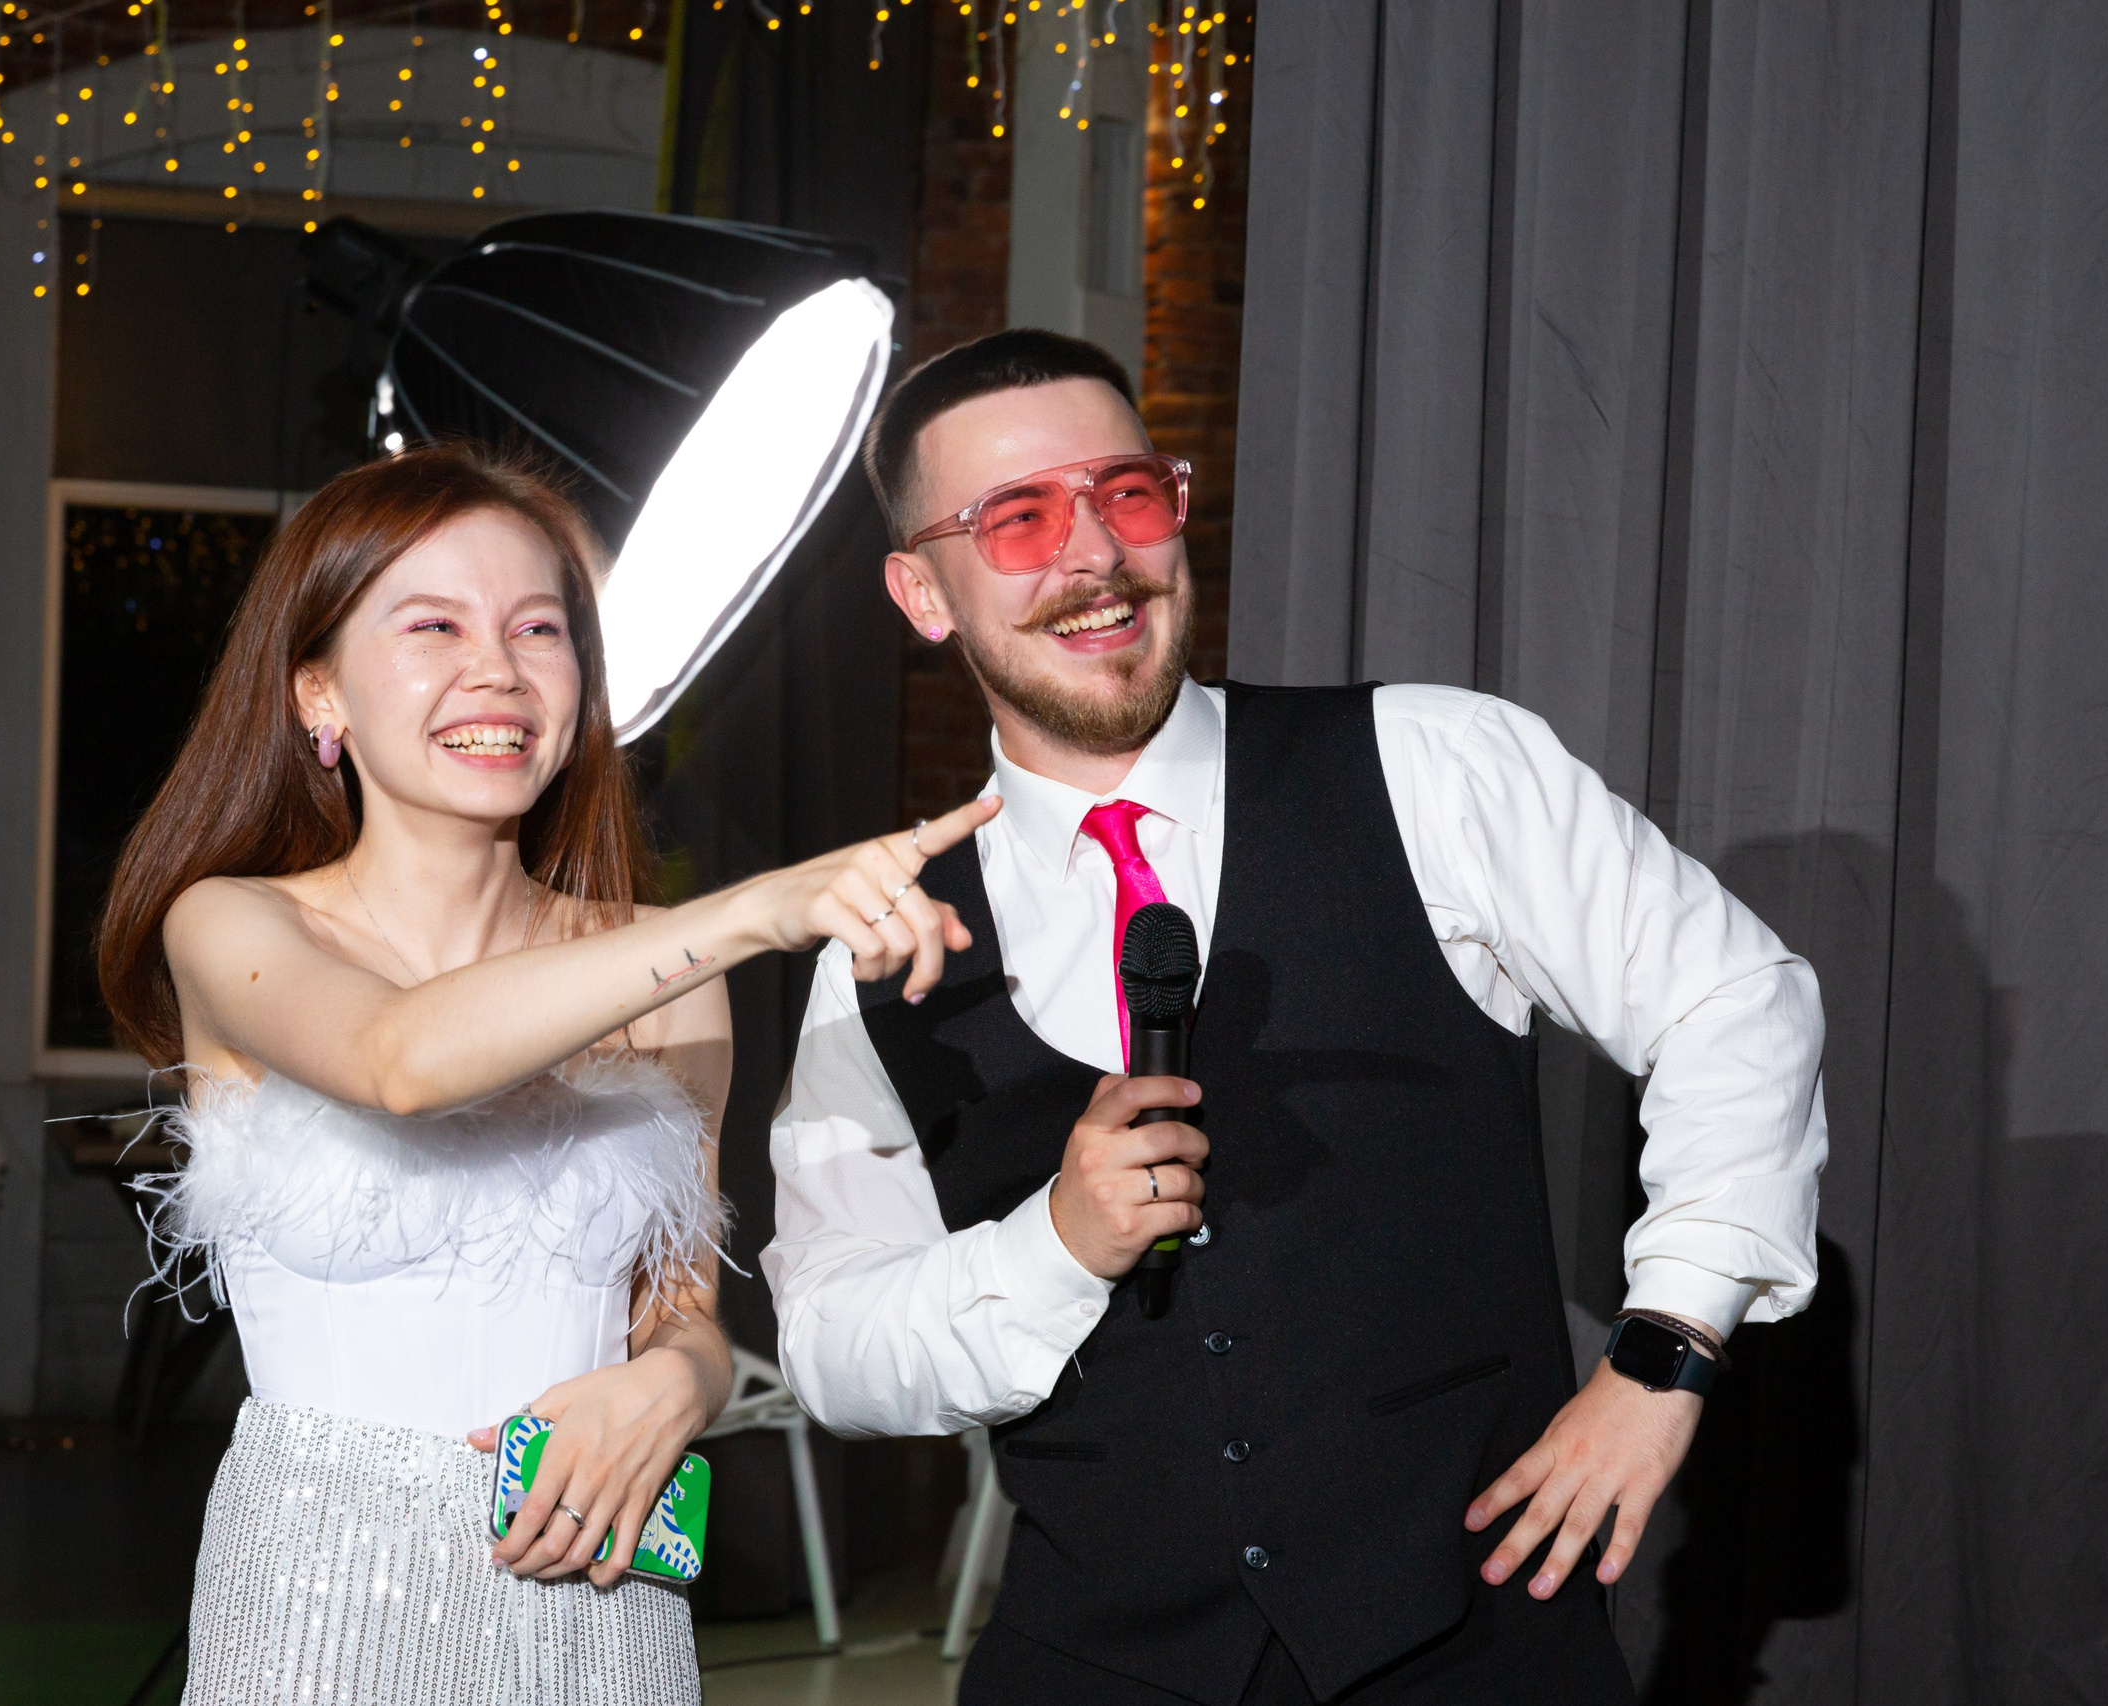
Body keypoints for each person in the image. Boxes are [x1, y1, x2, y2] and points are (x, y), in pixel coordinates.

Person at [763, 330, 1828, 1704]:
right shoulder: (881, 941)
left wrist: (1663, 1352)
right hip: (1095, 1661)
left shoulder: (1433, 763)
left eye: (1127, 495)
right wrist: (1053, 1248)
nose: (1094, 557)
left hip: (1474, 1649)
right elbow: (836, 1344)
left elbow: (1736, 1002)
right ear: (923, 592)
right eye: (1020, 519)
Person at [95, 442, 993, 1706]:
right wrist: (753, 911)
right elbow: (397, 1060)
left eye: (537, 627)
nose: (497, 670)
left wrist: (677, 1381)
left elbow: (677, 1301)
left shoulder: (661, 972)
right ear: (319, 693)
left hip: (597, 1588)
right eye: (432, 625)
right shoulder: (234, 924)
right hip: (324, 1600)